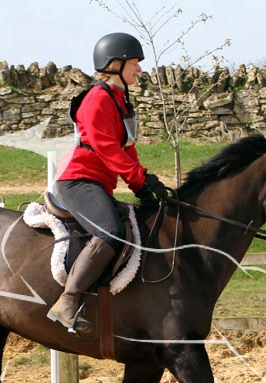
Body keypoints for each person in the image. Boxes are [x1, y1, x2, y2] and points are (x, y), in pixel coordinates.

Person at [47, 32, 169, 334]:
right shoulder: (97, 99)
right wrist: (139, 179)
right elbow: (107, 149)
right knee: (110, 231)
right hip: (78, 180)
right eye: (134, 63)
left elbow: (127, 148)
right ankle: (68, 301)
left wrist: (142, 184)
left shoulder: (120, 101)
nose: (139, 69)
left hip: (98, 183)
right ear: (115, 64)